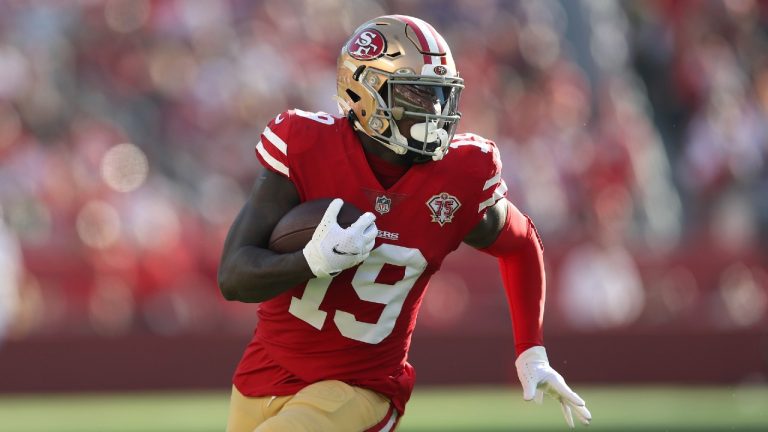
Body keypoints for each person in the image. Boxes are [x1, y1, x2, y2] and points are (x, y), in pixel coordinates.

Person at [218, 15, 591, 431]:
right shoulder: (306, 146)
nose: (434, 109)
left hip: (361, 387)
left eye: (440, 94)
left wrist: (530, 348)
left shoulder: (459, 176)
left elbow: (520, 244)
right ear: (363, 89)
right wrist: (311, 260)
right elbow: (233, 277)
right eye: (416, 93)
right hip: (263, 375)